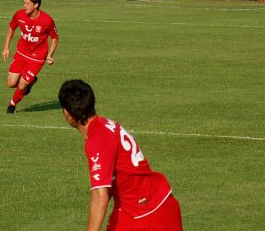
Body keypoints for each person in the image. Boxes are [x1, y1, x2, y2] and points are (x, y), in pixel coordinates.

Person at [58, 79, 183, 231]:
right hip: (161, 204)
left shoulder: (97, 140)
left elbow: (100, 195)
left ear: (66, 113)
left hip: (142, 215)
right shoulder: (106, 124)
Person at [2, 0, 58, 114]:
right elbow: (11, 28)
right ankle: (31, 82)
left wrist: (50, 55)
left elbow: (54, 38)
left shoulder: (47, 20)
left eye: (27, 3)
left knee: (22, 86)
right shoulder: (19, 15)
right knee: (11, 84)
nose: (24, 6)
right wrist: (6, 47)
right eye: (24, 3)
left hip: (37, 58)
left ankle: (12, 105)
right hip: (21, 53)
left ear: (36, 5)